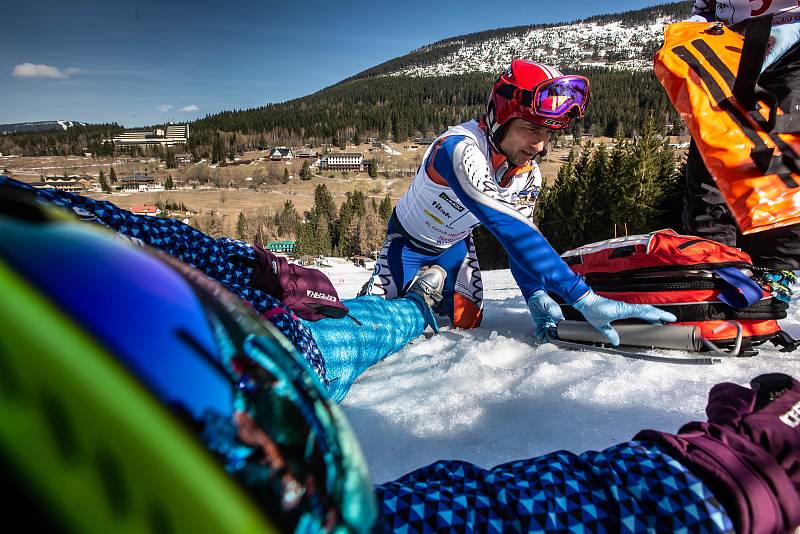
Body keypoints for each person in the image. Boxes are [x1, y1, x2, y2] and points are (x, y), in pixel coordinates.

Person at [1, 195, 798, 532]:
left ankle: (416, 310)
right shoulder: (468, 153)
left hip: (246, 343)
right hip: (250, 353)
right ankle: (414, 307)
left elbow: (90, 221)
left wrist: (250, 269)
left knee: (364, 323)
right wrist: (690, 492)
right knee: (356, 328)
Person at [0, 175, 445, 403]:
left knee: (358, 316)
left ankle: (408, 305)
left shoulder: (27, 211)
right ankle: (415, 306)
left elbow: (153, 237)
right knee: (365, 327)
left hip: (263, 334)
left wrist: (260, 269)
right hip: (274, 371)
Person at [362, 59, 676, 345]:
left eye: (549, 133)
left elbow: (520, 245)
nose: (539, 145)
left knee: (466, 322)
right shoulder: (459, 149)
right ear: (500, 118)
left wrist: (534, 293)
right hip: (407, 243)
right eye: (530, 129)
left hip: (454, 246)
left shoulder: (527, 175)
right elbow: (510, 228)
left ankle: (428, 289)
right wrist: (582, 296)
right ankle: (407, 295)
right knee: (374, 326)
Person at [683, 0, 800, 271]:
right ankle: (710, 269)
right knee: (711, 163)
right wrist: (699, 21)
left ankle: (779, 274)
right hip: (724, 44)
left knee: (780, 163)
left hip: (791, 39)